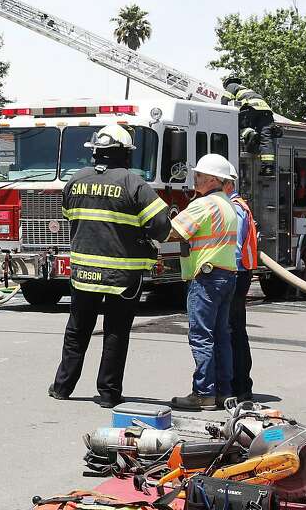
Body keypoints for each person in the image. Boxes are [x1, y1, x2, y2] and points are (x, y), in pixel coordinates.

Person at [49, 124, 170, 409]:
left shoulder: (75, 181)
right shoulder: (133, 183)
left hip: (83, 273)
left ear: (96, 152)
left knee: (77, 330)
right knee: (115, 332)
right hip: (122, 276)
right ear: (125, 154)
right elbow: (161, 226)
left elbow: (68, 215)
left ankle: (62, 387)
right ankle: (108, 393)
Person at [168, 154, 242, 411]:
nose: (195, 179)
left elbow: (175, 231)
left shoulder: (203, 204)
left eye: (199, 175)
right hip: (227, 276)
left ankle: (203, 393)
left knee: (201, 336)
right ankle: (223, 392)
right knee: (221, 336)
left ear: (212, 179)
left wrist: (149, 224)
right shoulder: (227, 204)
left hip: (206, 278)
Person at [223, 170, 258, 403]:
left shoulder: (234, 208)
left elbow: (234, 248)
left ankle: (240, 385)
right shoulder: (238, 205)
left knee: (232, 330)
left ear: (226, 184)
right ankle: (241, 385)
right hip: (241, 272)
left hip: (235, 272)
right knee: (236, 329)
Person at [220, 76, 275, 153]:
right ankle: (266, 160)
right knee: (265, 138)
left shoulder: (231, 85)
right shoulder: (248, 90)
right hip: (266, 111)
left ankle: (251, 134)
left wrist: (223, 115)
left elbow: (225, 99)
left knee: (236, 125)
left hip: (251, 108)